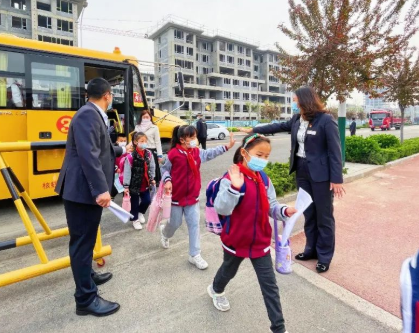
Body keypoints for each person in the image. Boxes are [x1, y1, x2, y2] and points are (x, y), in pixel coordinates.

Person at [241, 86, 345, 273]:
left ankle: (324, 256)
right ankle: (310, 250)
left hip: (321, 176)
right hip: (302, 171)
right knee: (307, 213)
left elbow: (335, 151)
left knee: (324, 216)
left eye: (295, 100)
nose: (294, 103)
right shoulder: (297, 119)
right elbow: (278, 126)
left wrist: (336, 179)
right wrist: (254, 129)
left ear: (305, 100)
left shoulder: (326, 120)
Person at [55, 78, 130, 317]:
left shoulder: (92, 113)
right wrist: (100, 190)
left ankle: (88, 277)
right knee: (82, 243)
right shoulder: (88, 114)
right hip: (82, 191)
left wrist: (121, 149)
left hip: (82, 190)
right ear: (107, 95)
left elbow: (100, 147)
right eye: (112, 96)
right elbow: (88, 155)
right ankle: (85, 299)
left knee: (85, 241)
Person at [208, 134, 297, 333]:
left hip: (260, 242)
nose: (263, 160)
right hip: (235, 240)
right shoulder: (231, 177)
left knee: (270, 287)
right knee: (228, 271)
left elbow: (271, 206)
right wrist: (234, 188)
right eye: (259, 154)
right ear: (244, 153)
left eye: (267, 156)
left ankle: (279, 328)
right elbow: (222, 208)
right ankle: (216, 289)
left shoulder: (264, 178)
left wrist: (283, 211)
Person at [160, 125, 236, 270]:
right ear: (182, 140)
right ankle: (165, 232)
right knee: (174, 224)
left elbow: (210, 153)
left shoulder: (197, 152)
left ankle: (194, 254)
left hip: (192, 197)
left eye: (195, 136)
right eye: (192, 137)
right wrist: (168, 180)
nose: (196, 140)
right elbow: (164, 169)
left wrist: (227, 146)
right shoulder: (173, 154)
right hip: (176, 198)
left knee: (194, 225)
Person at [123, 132, 156, 230]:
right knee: (134, 203)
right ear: (135, 142)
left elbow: (152, 166)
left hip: (145, 182)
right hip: (134, 184)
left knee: (147, 200)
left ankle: (140, 212)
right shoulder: (130, 157)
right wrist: (126, 186)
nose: (144, 143)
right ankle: (135, 219)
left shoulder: (149, 154)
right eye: (142, 141)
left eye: (145, 141)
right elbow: (127, 172)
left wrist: (152, 178)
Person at [134, 110, 163, 184]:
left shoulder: (154, 127)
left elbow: (157, 141)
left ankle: (153, 182)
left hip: (151, 150)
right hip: (140, 150)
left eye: (147, 117)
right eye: (144, 117)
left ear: (150, 118)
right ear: (141, 118)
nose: (146, 118)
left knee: (152, 167)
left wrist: (160, 155)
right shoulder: (137, 127)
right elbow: (135, 139)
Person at [112, 134, 128, 201]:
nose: (123, 142)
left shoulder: (128, 151)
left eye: (125, 141)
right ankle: (111, 196)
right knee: (115, 186)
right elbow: (112, 161)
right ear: (117, 141)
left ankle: (126, 200)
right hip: (116, 172)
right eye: (121, 141)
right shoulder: (114, 150)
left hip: (125, 173)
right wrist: (116, 168)